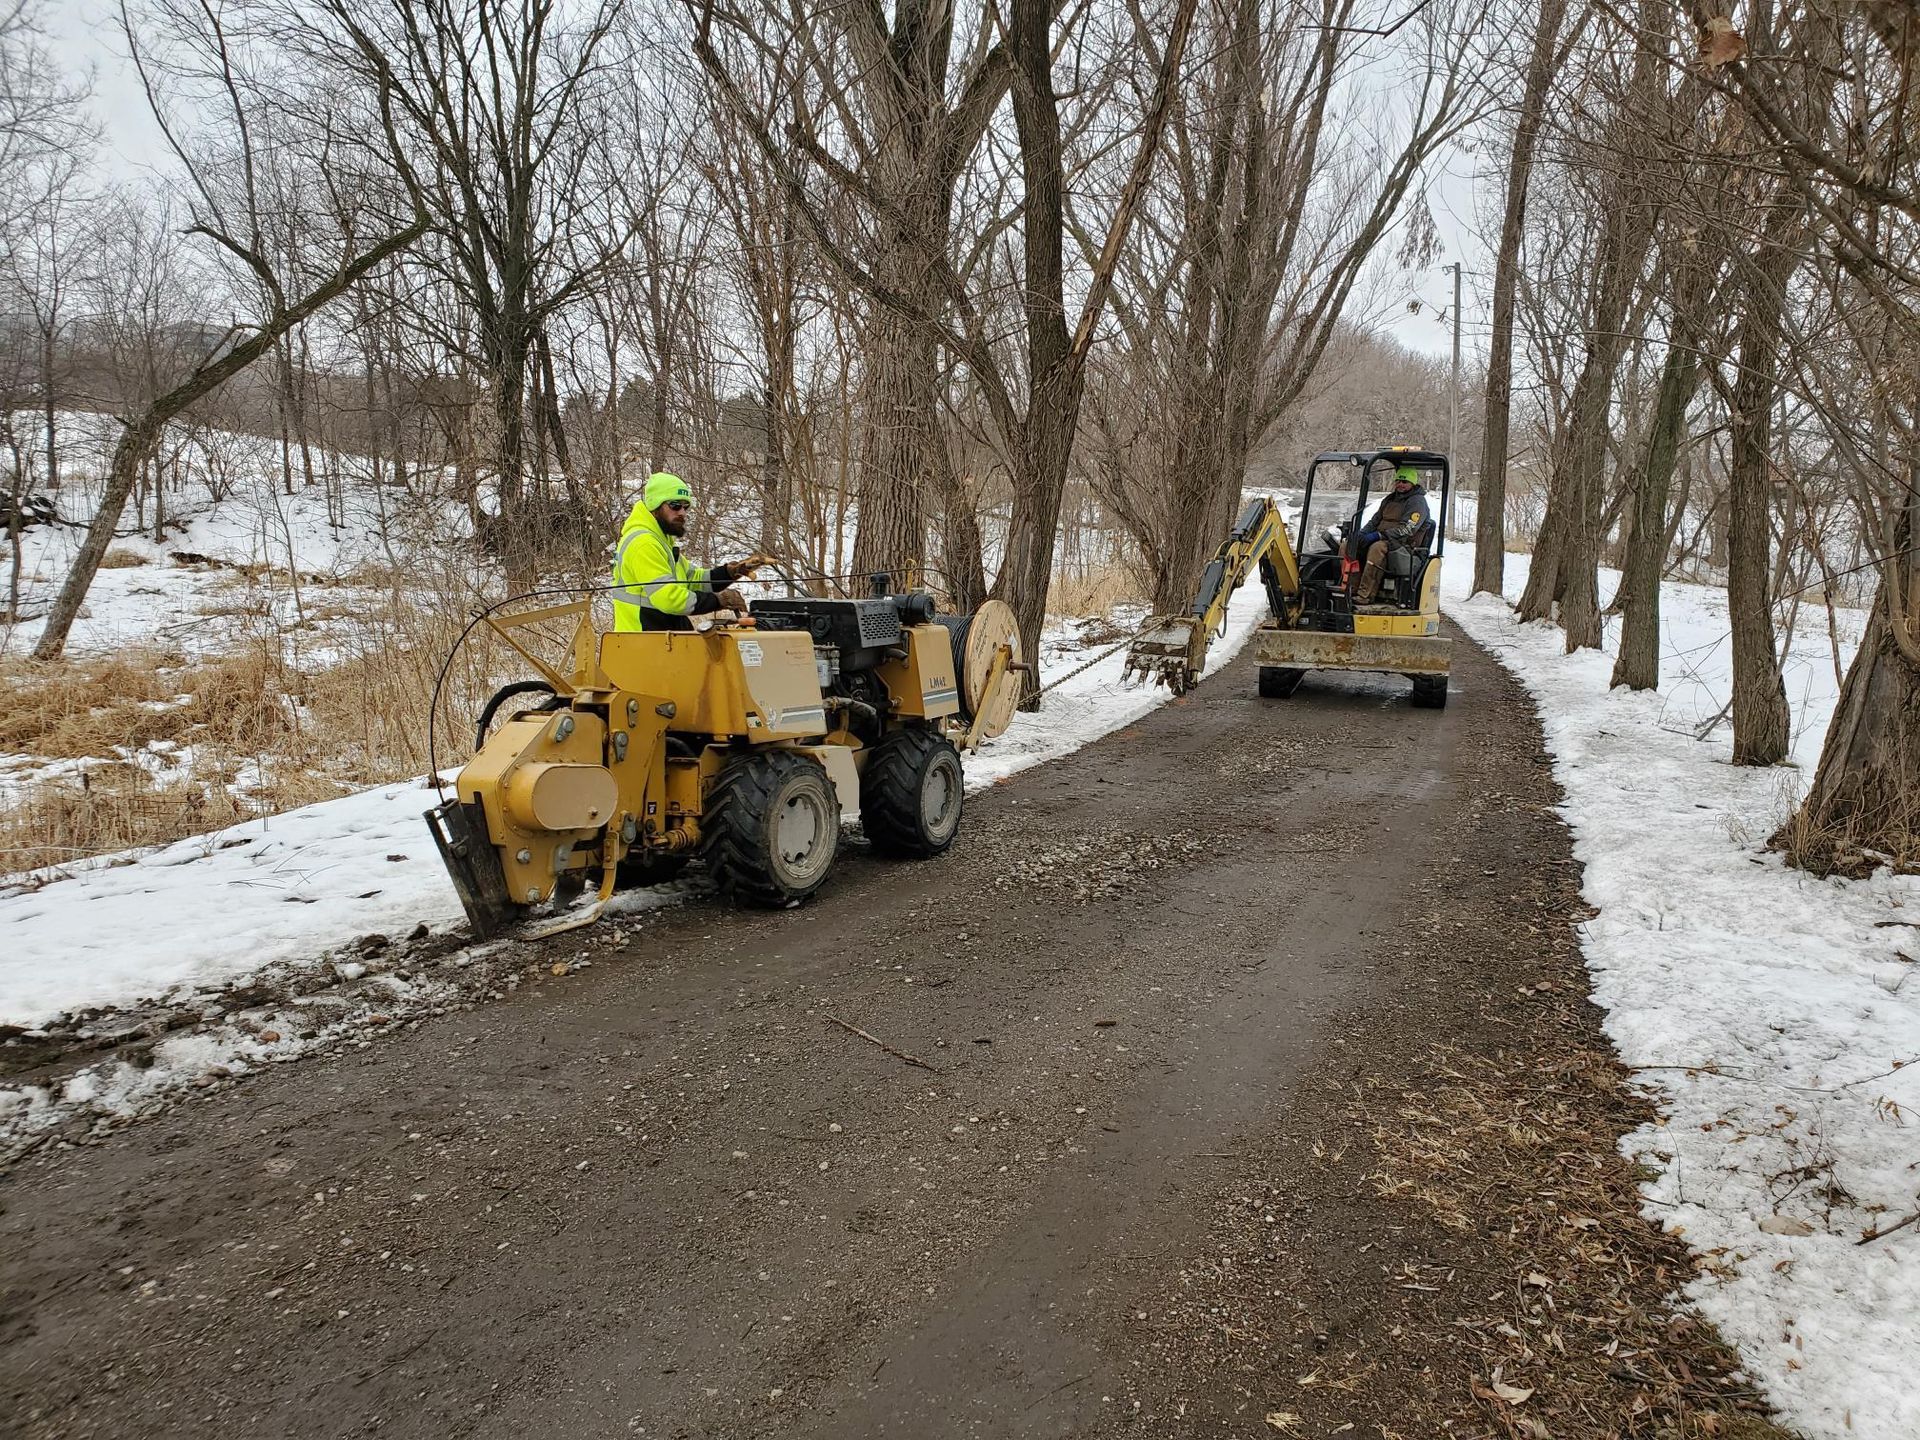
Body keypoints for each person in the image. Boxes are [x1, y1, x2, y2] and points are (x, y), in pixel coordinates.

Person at [611, 471, 761, 632]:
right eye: (675, 505)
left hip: (661, 636)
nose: (682, 512)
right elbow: (669, 598)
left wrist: (730, 572)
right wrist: (719, 600)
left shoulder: (661, 541)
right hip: (643, 640)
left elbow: (692, 579)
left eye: (686, 506)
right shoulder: (644, 543)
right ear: (654, 506)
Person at [1351, 464, 1432, 609]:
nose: (1400, 484)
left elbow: (1408, 529)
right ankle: (1350, 588)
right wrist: (1362, 534)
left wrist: (1380, 535)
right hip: (1384, 539)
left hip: (1405, 545)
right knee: (1348, 545)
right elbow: (1375, 521)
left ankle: (1366, 595)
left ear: (1412, 483)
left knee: (1377, 548)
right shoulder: (1390, 499)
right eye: (1398, 481)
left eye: (1404, 482)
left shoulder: (1417, 502)